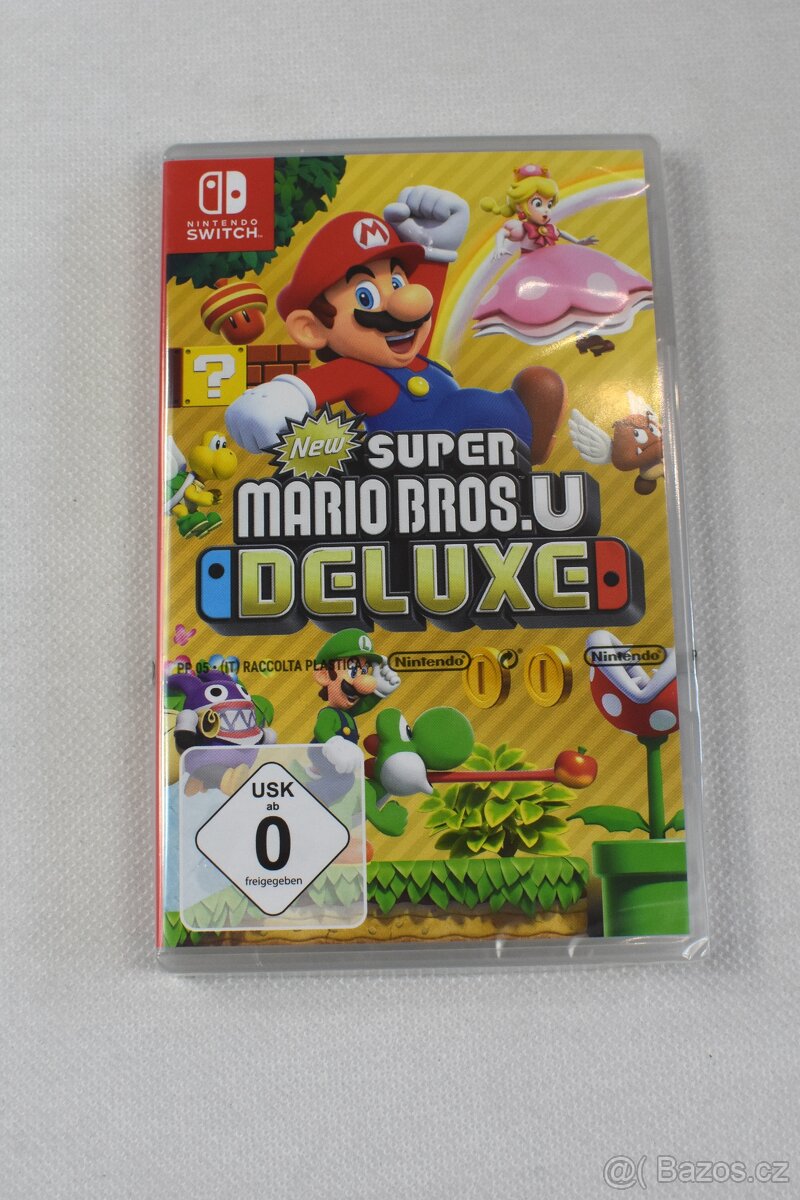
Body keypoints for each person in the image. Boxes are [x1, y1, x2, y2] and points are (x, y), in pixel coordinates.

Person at [225, 187, 568, 465]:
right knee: (480, 403)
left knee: (534, 383)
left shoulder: (408, 354)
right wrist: (281, 398)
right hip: (411, 471)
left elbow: (421, 306)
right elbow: (326, 382)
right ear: (311, 329)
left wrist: (434, 246)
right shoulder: (364, 372)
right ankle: (528, 434)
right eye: (366, 296)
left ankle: (528, 435)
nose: (406, 302)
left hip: (468, 467)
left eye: (398, 282)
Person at [473, 165, 653, 345]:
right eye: (538, 204)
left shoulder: (549, 227)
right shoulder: (521, 227)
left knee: (580, 286)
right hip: (532, 266)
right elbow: (503, 233)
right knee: (544, 300)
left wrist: (579, 242)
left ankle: (587, 333)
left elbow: (562, 234)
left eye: (549, 204)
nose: (545, 210)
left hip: (557, 259)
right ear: (521, 206)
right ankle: (573, 334)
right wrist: (499, 247)